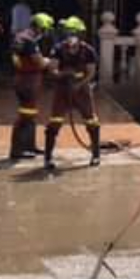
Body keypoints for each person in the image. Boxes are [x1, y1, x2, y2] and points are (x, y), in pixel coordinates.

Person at [45, 16, 101, 169]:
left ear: (81, 34)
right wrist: (62, 74)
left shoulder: (88, 51)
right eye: (68, 33)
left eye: (74, 33)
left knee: (92, 122)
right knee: (54, 122)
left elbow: (91, 72)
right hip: (62, 90)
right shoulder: (58, 49)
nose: (71, 37)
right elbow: (52, 68)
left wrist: (79, 84)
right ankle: (47, 158)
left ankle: (96, 155)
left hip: (82, 90)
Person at [8, 12, 54, 161]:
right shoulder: (29, 41)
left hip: (22, 79)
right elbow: (39, 62)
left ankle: (29, 146)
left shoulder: (21, 37)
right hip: (28, 81)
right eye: (45, 29)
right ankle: (17, 151)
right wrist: (49, 62)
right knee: (25, 115)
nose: (46, 32)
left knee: (31, 114)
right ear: (40, 27)